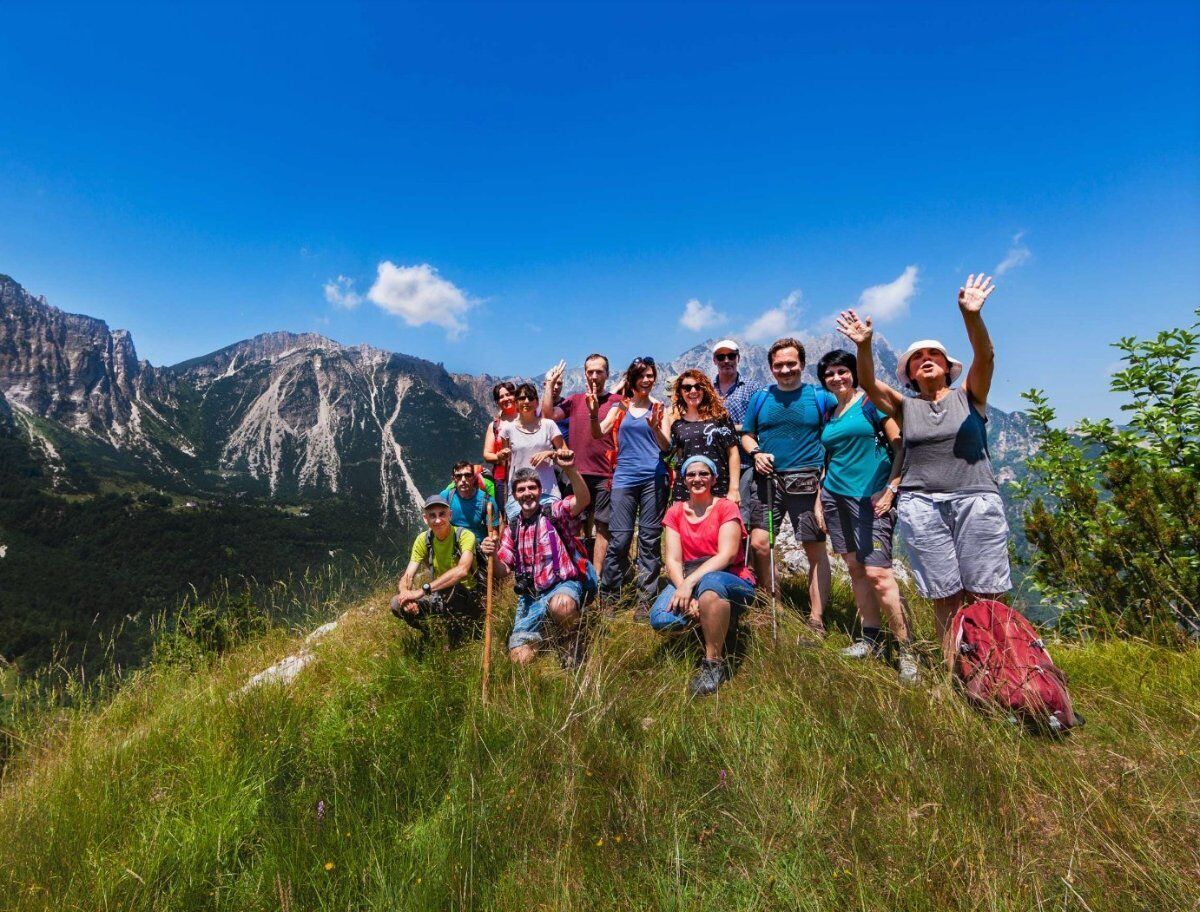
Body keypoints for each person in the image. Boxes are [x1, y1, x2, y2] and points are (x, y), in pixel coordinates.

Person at [836, 274, 1013, 655]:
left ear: (948, 367)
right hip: (922, 506)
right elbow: (867, 381)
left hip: (975, 500)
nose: (926, 360)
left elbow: (986, 357)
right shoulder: (905, 406)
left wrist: (971, 316)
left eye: (934, 355)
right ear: (910, 373)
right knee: (944, 595)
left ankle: (997, 673)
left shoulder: (971, 397)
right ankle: (954, 675)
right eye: (918, 358)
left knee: (986, 593)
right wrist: (863, 346)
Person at [815, 349, 919, 684]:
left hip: (871, 500)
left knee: (878, 573)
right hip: (834, 497)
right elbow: (831, 458)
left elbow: (901, 445)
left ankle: (907, 649)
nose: (836, 378)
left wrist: (891, 489)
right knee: (856, 569)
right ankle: (871, 639)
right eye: (829, 374)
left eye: (842, 371)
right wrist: (820, 496)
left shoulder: (870, 404)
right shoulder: (832, 411)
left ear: (854, 373)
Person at [740, 337, 836, 634]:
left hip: (807, 483)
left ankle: (816, 618)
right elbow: (746, 434)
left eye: (791, 364)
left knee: (813, 548)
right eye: (779, 365)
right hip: (768, 481)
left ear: (802, 365)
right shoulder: (761, 398)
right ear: (770, 368)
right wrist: (755, 453)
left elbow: (835, 436)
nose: (785, 369)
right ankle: (775, 603)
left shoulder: (821, 397)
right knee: (759, 543)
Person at [649, 455, 755, 697]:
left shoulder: (726, 507)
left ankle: (713, 663)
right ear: (684, 481)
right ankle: (712, 621)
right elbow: (673, 560)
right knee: (661, 618)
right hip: (690, 579)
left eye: (703, 474)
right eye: (691, 475)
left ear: (714, 478)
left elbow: (726, 555)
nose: (697, 479)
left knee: (711, 584)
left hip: (730, 577)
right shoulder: (675, 512)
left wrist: (689, 584)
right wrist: (685, 591)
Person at [479, 455, 597, 667]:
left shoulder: (555, 513)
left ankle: (570, 636)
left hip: (561, 585)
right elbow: (503, 569)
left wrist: (571, 470)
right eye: (521, 490)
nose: (527, 494)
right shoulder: (513, 529)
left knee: (562, 606)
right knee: (520, 660)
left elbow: (583, 500)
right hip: (531, 596)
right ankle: (546, 630)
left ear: (540, 490)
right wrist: (492, 555)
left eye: (531, 488)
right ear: (514, 496)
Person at [591, 356, 671, 615]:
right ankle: (610, 595)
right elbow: (597, 433)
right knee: (620, 538)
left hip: (653, 478)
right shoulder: (620, 408)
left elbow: (666, 446)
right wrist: (593, 414)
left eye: (651, 375)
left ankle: (645, 599)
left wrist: (656, 428)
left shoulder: (660, 408)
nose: (648, 380)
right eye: (643, 376)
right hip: (623, 479)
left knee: (649, 539)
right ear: (633, 379)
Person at [541, 354, 622, 574]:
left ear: (607, 373)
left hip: (604, 473)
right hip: (576, 472)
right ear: (585, 373)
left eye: (599, 371)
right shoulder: (575, 400)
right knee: (572, 523)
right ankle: (574, 571)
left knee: (603, 526)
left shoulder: (616, 401)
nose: (594, 376)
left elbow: (603, 430)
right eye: (590, 371)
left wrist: (595, 412)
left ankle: (596, 576)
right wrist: (549, 384)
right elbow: (548, 415)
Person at [390, 494, 481, 647]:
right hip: (439, 594)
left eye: (442, 514)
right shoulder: (423, 540)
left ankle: (460, 632)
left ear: (450, 515)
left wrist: (421, 591)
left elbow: (462, 570)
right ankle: (434, 632)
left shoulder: (464, 536)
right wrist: (405, 595)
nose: (438, 520)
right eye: (432, 516)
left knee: (454, 588)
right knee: (396, 604)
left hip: (466, 596)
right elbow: (408, 575)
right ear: (426, 519)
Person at [664, 369, 741, 504]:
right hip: (685, 492)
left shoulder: (721, 418)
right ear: (681, 393)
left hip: (719, 489)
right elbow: (680, 458)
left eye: (698, 386)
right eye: (687, 388)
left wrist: (734, 489)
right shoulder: (677, 425)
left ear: (705, 389)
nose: (693, 391)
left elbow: (733, 453)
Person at [497, 381, 569, 521]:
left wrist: (549, 453)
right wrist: (501, 455)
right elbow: (505, 459)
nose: (527, 401)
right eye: (522, 398)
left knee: (550, 535)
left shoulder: (548, 425)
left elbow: (564, 451)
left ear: (537, 402)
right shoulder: (507, 429)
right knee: (519, 536)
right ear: (516, 402)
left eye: (531, 398)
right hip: (519, 493)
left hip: (547, 490)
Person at [439, 460, 500, 560]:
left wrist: (490, 543)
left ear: (473, 478)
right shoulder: (445, 496)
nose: (463, 480)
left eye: (467, 475)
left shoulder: (487, 501)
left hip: (478, 549)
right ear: (453, 479)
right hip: (452, 546)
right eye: (459, 476)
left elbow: (494, 532)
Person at [483, 380, 519, 516]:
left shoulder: (527, 418)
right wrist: (499, 456)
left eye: (509, 394)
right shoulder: (494, 425)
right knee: (505, 515)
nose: (506, 398)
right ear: (497, 402)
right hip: (502, 478)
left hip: (525, 473)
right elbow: (487, 454)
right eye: (501, 396)